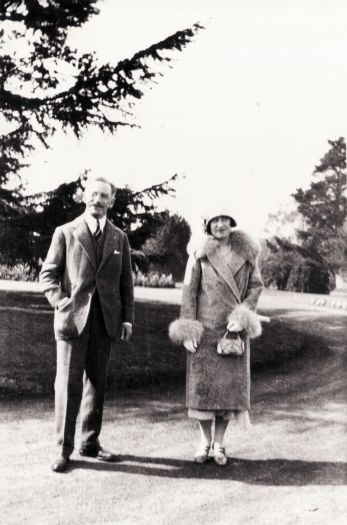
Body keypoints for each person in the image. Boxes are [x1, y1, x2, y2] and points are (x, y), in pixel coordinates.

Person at [40, 176, 134, 473]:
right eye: (92, 194)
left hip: (106, 320)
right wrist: (61, 302)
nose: (97, 199)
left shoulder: (119, 237)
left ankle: (90, 442)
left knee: (97, 382)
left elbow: (126, 282)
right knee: (68, 385)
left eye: (103, 196)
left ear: (111, 201)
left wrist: (127, 317)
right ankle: (62, 449)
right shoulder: (65, 232)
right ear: (84, 197)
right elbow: (48, 275)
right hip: (72, 320)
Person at [169, 207, 263, 466]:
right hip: (205, 331)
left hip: (232, 331)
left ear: (232, 222)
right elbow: (189, 292)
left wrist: (242, 316)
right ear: (207, 224)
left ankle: (220, 443)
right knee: (203, 391)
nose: (220, 225)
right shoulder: (198, 253)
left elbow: (256, 287)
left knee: (228, 392)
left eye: (224, 220)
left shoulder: (247, 252)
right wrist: (187, 328)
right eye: (215, 220)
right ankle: (204, 442)